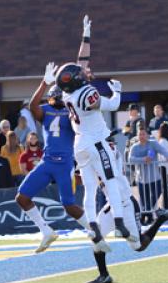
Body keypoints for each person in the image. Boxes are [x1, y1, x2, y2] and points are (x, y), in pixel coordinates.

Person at [56, 15, 137, 250]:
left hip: (80, 145)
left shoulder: (67, 94)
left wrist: (86, 35)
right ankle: (121, 224)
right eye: (82, 73)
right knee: (110, 179)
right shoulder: (87, 93)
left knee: (90, 188)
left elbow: (80, 62)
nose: (86, 71)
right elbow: (111, 106)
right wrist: (118, 92)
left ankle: (93, 228)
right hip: (96, 142)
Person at [86, 132, 168, 283]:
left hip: (126, 204)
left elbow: (109, 152)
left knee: (138, 246)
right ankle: (104, 275)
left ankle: (160, 219)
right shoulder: (94, 155)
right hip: (111, 205)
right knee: (95, 237)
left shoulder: (111, 152)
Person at [16, 75, 91, 254]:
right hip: (47, 161)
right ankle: (46, 231)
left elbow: (85, 116)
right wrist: (44, 83)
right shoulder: (48, 110)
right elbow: (33, 106)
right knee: (22, 198)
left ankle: (95, 228)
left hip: (65, 163)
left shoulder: (72, 111)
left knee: (69, 206)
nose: (56, 100)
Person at [129, 127, 168, 224]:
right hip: (141, 178)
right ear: (137, 136)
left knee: (155, 195)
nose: (142, 136)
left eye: (143, 134)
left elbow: (162, 150)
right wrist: (143, 159)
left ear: (147, 135)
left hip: (155, 177)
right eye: (140, 134)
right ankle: (148, 218)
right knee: (144, 200)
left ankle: (144, 214)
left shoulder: (153, 143)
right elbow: (130, 159)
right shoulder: (135, 147)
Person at [156, 121, 168, 210]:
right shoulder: (163, 141)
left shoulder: (164, 141)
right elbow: (166, 158)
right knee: (166, 190)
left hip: (167, 168)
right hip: (166, 169)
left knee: (167, 190)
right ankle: (166, 208)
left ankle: (167, 207)